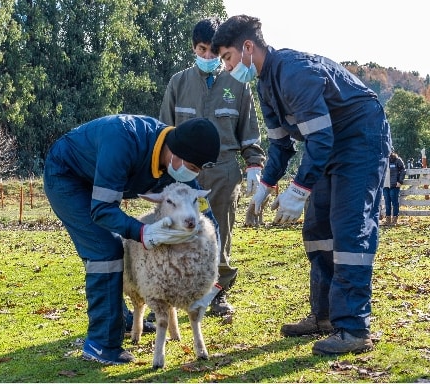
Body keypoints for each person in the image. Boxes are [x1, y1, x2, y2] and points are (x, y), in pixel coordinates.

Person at [211, 15, 391, 356]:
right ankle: (324, 317)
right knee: (317, 229)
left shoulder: (294, 72)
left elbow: (320, 138)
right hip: (328, 146)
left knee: (349, 229)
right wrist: (264, 185)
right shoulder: (264, 85)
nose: (228, 67)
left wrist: (298, 190)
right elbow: (281, 146)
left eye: (228, 58)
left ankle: (354, 328)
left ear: (247, 48)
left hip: (360, 139)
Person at [43, 114, 220, 365]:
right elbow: (102, 209)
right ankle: (101, 344)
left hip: (99, 177)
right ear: (176, 153)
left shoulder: (179, 160)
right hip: (67, 177)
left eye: (197, 170)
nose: (191, 174)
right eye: (192, 167)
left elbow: (205, 217)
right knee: (106, 250)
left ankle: (121, 319)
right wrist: (142, 232)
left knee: (115, 248)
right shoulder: (123, 141)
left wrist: (213, 264)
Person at [159, 17, 266, 316]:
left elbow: (249, 130)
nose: (207, 58)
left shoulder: (238, 84)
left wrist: (254, 164)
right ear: (194, 48)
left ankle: (218, 293)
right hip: (183, 174)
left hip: (223, 171)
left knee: (220, 234)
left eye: (213, 52)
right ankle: (176, 292)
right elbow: (163, 130)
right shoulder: (178, 83)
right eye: (201, 50)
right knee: (181, 231)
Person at [382, 151, 406, 225]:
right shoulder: (382, 160)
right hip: (385, 185)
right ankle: (388, 220)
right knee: (387, 203)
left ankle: (395, 220)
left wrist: (400, 181)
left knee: (395, 202)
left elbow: (403, 170)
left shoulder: (397, 160)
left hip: (394, 185)